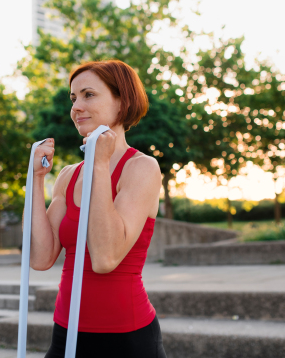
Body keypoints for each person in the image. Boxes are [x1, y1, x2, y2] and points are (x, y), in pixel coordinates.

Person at [27, 59, 167, 358]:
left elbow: (105, 258)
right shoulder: (67, 175)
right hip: (66, 332)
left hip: (126, 338)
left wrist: (99, 163)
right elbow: (39, 258)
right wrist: (37, 181)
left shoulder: (141, 168)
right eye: (73, 98)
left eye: (89, 94)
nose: (76, 107)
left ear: (122, 101)